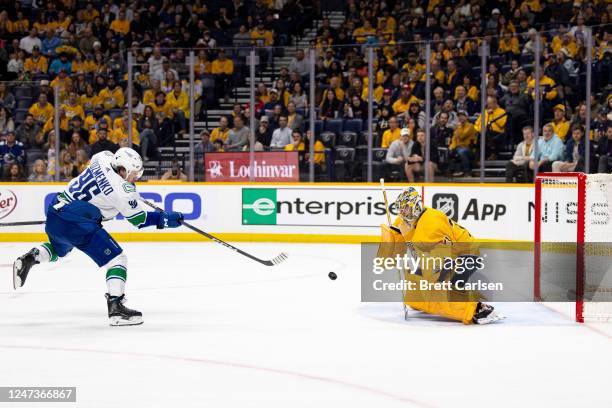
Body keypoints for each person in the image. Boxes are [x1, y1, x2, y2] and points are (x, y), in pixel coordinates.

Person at [13, 148, 184, 326]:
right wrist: (164, 219)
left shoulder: (102, 157)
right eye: (133, 173)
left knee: (59, 250)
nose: (136, 178)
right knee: (117, 259)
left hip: (56, 210)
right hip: (76, 220)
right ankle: (116, 308)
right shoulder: (124, 191)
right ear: (123, 169)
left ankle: (31, 257)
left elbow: (100, 183)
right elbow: (138, 220)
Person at [378, 187, 503, 324]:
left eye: (406, 208)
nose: (402, 213)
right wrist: (392, 242)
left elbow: (439, 262)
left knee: (434, 289)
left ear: (416, 206)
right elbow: (397, 237)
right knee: (415, 282)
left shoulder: (432, 223)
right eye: (400, 209)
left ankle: (476, 309)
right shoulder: (406, 220)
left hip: (466, 255)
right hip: (444, 255)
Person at [448, 111, 477, 177]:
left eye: (462, 116)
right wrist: (452, 147)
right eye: (459, 116)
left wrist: (458, 128)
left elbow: (462, 136)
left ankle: (467, 172)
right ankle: (452, 170)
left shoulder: (470, 126)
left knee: (462, 151)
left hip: (468, 148)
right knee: (449, 150)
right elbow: (454, 139)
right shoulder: (458, 127)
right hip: (458, 148)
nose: (460, 117)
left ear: (467, 117)